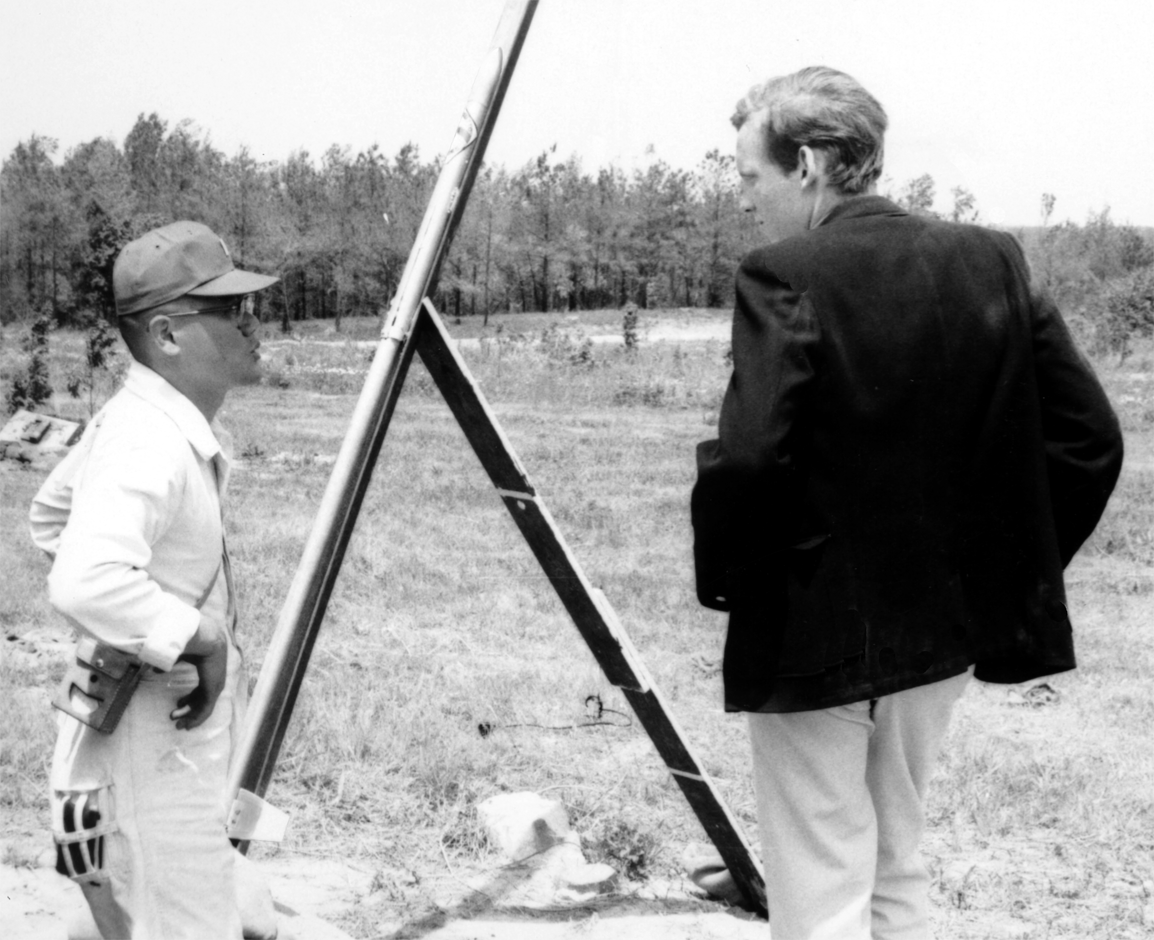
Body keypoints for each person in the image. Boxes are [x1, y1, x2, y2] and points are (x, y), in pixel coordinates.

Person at [691, 67, 1123, 940]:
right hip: (943, 639)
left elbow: (749, 462)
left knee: (820, 888)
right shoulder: (990, 257)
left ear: (807, 164)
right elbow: (1090, 441)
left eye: (748, 177)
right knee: (897, 867)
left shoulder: (782, 271)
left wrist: (736, 583)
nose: (743, 201)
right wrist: (1001, 568)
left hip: (813, 638)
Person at [30, 220, 277, 939]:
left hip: (144, 742)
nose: (251, 324)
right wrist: (192, 634)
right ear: (168, 335)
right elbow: (83, 579)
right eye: (230, 310)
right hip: (149, 766)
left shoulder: (148, 420)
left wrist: (136, 628)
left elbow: (52, 519)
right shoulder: (148, 439)